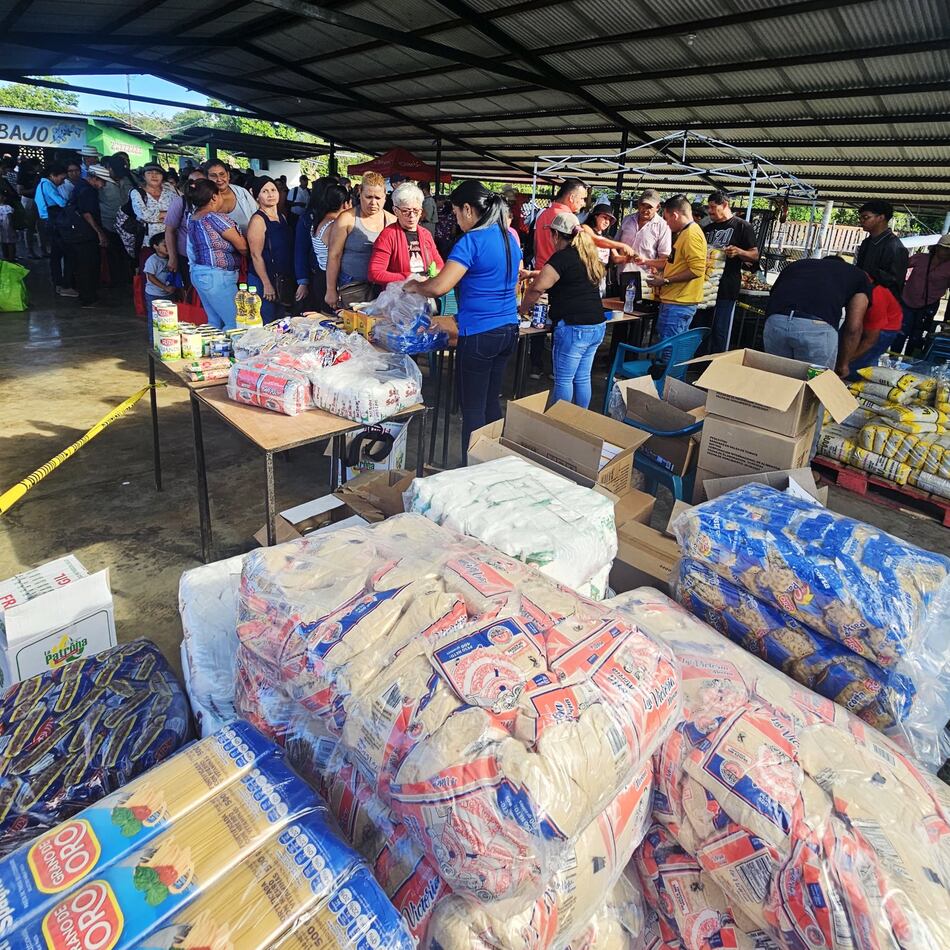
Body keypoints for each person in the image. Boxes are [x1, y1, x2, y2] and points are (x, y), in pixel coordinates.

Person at [403, 180, 522, 460]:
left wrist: (415, 286)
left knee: (472, 408)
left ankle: (473, 467)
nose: (456, 219)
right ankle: (492, 462)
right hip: (508, 329)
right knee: (491, 402)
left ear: (468, 209)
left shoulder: (472, 241)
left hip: (480, 335)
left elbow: (439, 286)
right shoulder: (508, 238)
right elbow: (508, 285)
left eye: (456, 213)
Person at [520, 211, 605, 408]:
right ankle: (579, 421)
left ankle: (559, 425)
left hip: (574, 328)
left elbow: (537, 288)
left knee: (564, 380)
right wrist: (532, 273)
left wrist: (523, 309)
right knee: (582, 378)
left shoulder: (561, 257)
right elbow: (558, 274)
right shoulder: (586, 255)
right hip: (596, 324)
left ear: (556, 235)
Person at [762, 255, 870, 378]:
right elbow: (853, 327)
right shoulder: (858, 276)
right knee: (814, 386)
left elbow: (773, 294)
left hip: (776, 322)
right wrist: (843, 364)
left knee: (778, 381)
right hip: (817, 329)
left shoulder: (798, 265)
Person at [530, 178, 589, 378]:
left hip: (540, 273)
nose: (583, 204)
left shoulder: (542, 215)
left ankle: (535, 366)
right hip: (559, 279)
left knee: (536, 322)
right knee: (558, 324)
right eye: (582, 199)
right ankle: (557, 368)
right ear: (571, 197)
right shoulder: (566, 219)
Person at [324, 172, 395, 309]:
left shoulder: (392, 220)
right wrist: (330, 289)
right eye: (368, 197)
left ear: (385, 196)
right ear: (360, 193)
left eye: (378, 198)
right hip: (352, 285)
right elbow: (334, 255)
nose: (373, 202)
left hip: (383, 287)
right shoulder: (346, 218)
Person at [186, 178, 248, 330]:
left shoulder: (192, 217)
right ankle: (230, 353)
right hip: (217, 277)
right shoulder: (215, 217)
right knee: (235, 323)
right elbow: (242, 246)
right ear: (214, 197)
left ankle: (213, 352)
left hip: (200, 273)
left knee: (214, 322)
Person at [702, 191, 759, 353]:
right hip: (706, 287)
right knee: (702, 328)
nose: (710, 211)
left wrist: (739, 252)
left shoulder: (742, 226)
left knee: (720, 329)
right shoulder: (707, 228)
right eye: (708, 208)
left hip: (727, 286)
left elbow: (754, 255)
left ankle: (716, 365)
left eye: (713, 207)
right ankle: (697, 365)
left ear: (725, 205)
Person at [647, 195, 708, 340]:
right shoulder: (685, 233)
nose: (667, 224)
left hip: (679, 304)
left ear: (675, 215)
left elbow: (697, 270)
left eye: (667, 219)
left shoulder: (691, 235)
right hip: (675, 302)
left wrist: (666, 280)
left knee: (669, 349)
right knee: (669, 347)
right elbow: (673, 263)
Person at [368, 181, 444, 285]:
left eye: (416, 211)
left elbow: (439, 264)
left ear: (421, 211)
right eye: (405, 211)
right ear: (395, 211)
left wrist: (434, 274)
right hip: (398, 296)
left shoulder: (426, 234)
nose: (412, 216)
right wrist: (409, 277)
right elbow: (375, 273)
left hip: (424, 293)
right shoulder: (388, 235)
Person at [294, 183, 351, 313]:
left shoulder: (319, 221)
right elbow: (335, 256)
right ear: (345, 204)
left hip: (321, 277)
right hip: (330, 279)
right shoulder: (334, 225)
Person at [246, 177, 294, 324]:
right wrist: (266, 284)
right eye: (265, 191)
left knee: (280, 323)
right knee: (265, 322)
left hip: (280, 279)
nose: (270, 194)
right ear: (257, 196)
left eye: (273, 190)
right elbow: (256, 255)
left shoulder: (282, 217)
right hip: (263, 280)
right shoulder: (258, 220)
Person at [616, 189, 673, 303]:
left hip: (645, 282)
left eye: (649, 207)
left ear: (657, 207)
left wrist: (650, 264)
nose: (645, 209)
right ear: (638, 204)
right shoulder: (627, 220)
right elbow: (616, 243)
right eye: (643, 205)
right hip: (621, 276)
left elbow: (664, 258)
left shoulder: (663, 226)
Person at [897, 234, 950, 355]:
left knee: (917, 337)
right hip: (907, 301)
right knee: (900, 334)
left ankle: (910, 364)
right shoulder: (920, 258)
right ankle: (892, 359)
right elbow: (900, 267)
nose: (947, 252)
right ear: (937, 247)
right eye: (944, 248)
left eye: (949, 249)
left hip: (928, 305)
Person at [68, 164, 112, 308]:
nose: (103, 185)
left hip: (79, 233)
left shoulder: (80, 186)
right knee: (88, 266)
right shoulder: (87, 191)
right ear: (95, 178)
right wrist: (100, 233)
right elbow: (87, 213)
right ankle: (88, 298)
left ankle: (87, 296)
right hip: (85, 234)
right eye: (103, 182)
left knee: (84, 265)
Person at [33, 163, 76, 297]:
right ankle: (64, 285)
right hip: (54, 223)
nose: (62, 182)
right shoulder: (47, 185)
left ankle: (58, 284)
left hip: (48, 222)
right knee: (66, 253)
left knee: (55, 256)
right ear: (52, 175)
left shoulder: (42, 184)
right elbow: (62, 202)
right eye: (61, 179)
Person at [848, 278, 903, 377]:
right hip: (869, 319)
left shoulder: (875, 298)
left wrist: (846, 360)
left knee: (858, 366)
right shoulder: (858, 285)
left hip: (885, 328)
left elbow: (870, 341)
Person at [131, 163, 178, 274]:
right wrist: (169, 215)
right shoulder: (137, 192)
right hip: (148, 241)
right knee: (150, 272)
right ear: (143, 176)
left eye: (157, 173)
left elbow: (179, 212)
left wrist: (157, 215)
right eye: (149, 173)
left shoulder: (170, 192)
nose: (154, 176)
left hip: (170, 239)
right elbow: (144, 215)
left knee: (171, 272)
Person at [855, 199, 908, 297]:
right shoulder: (866, 242)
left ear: (881, 218)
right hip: (863, 296)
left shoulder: (895, 247)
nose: (861, 221)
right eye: (861, 217)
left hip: (882, 301)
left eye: (866, 217)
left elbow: (895, 281)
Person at [164, 167, 206, 289]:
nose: (195, 186)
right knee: (189, 290)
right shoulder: (180, 202)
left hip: (207, 260)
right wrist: (172, 257)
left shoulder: (213, 201)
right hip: (186, 257)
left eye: (201, 182)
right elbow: (170, 231)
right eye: (192, 182)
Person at [202, 160, 257, 232]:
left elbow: (257, 218)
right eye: (213, 176)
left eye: (222, 174)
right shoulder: (202, 198)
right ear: (206, 178)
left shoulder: (241, 192)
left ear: (228, 175)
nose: (219, 179)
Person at [143, 231, 176, 306]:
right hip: (154, 294)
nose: (169, 247)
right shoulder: (153, 260)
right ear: (155, 246)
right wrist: (165, 287)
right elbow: (150, 277)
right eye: (165, 245)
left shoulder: (172, 259)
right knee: (154, 316)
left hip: (168, 294)